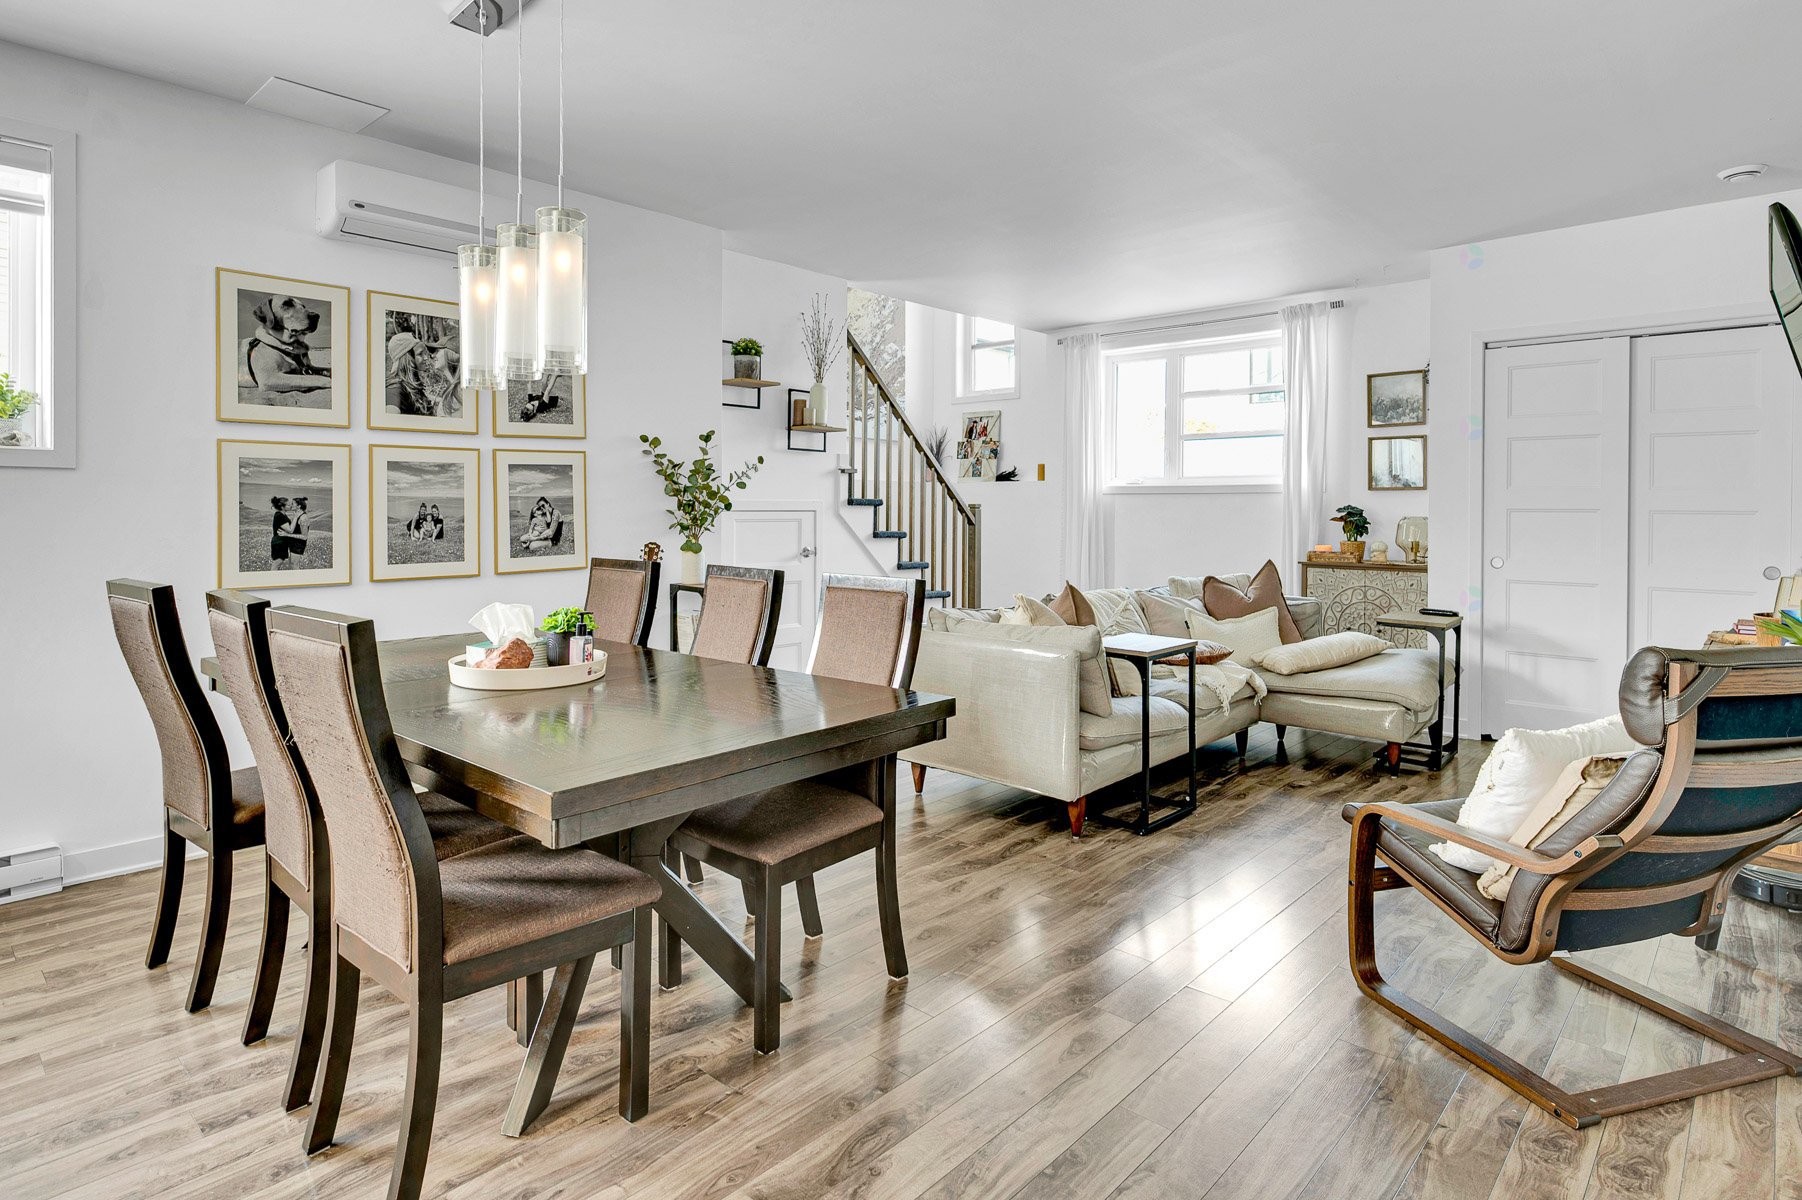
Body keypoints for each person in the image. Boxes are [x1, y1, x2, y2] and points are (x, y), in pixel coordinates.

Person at [385, 332, 433, 416]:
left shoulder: (410, 384)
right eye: (420, 354)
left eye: (425, 353)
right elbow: (390, 413)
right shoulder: (394, 389)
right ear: (408, 358)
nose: (426, 358)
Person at [269, 496, 293, 570]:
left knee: (278, 563)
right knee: (277, 563)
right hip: (279, 542)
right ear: (282, 507)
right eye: (288, 505)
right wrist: (297, 516)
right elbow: (290, 530)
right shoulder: (280, 516)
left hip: (281, 542)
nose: (291, 506)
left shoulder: (281, 514)